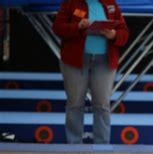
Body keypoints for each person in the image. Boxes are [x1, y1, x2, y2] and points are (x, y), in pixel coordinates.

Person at [53, 0, 129, 144]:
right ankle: (74, 146)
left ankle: (102, 148)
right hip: (75, 61)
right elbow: (57, 28)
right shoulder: (70, 3)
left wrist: (113, 35)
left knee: (102, 105)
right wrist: (78, 26)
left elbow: (124, 32)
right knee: (75, 103)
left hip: (104, 62)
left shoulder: (110, 3)